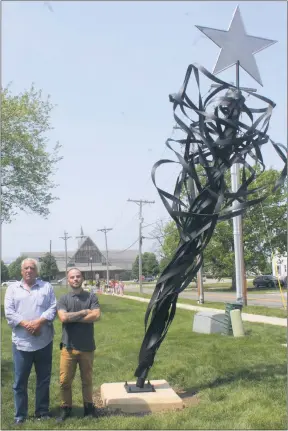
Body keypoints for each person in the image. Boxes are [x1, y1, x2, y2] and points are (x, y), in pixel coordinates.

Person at [4, 258, 57, 425]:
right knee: (20, 381)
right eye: (26, 268)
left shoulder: (46, 287)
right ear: (21, 271)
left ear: (36, 271)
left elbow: (53, 307)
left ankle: (42, 411)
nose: (29, 270)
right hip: (21, 343)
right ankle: (20, 416)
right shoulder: (12, 289)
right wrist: (27, 324)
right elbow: (9, 312)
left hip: (44, 341)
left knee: (43, 379)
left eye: (32, 268)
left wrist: (39, 322)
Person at [56, 268, 101, 421]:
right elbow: (63, 317)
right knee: (64, 381)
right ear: (68, 280)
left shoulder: (91, 297)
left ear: (82, 278)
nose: (75, 279)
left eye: (77, 276)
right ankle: (66, 408)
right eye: (72, 277)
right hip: (68, 347)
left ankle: (89, 409)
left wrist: (72, 317)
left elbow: (96, 315)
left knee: (87, 380)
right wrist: (83, 313)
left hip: (87, 347)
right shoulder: (63, 299)